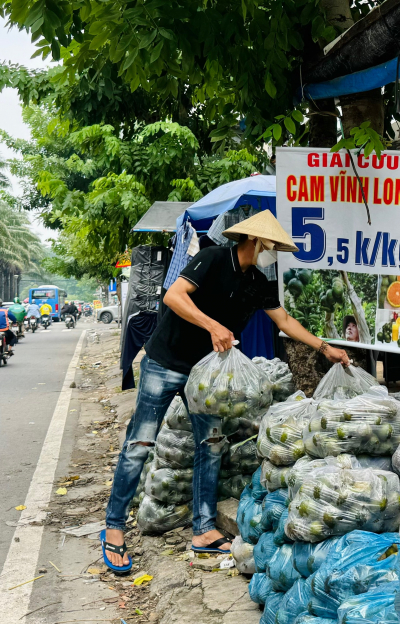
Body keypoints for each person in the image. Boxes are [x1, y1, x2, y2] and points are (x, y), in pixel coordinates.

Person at [102, 211, 350, 573]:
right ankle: (114, 527)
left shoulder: (258, 282)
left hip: (207, 378)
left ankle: (202, 530)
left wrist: (324, 348)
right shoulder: (213, 257)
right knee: (140, 443)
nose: (275, 254)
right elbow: (174, 296)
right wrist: (212, 325)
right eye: (273, 247)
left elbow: (283, 321)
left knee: (212, 444)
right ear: (255, 242)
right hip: (164, 361)